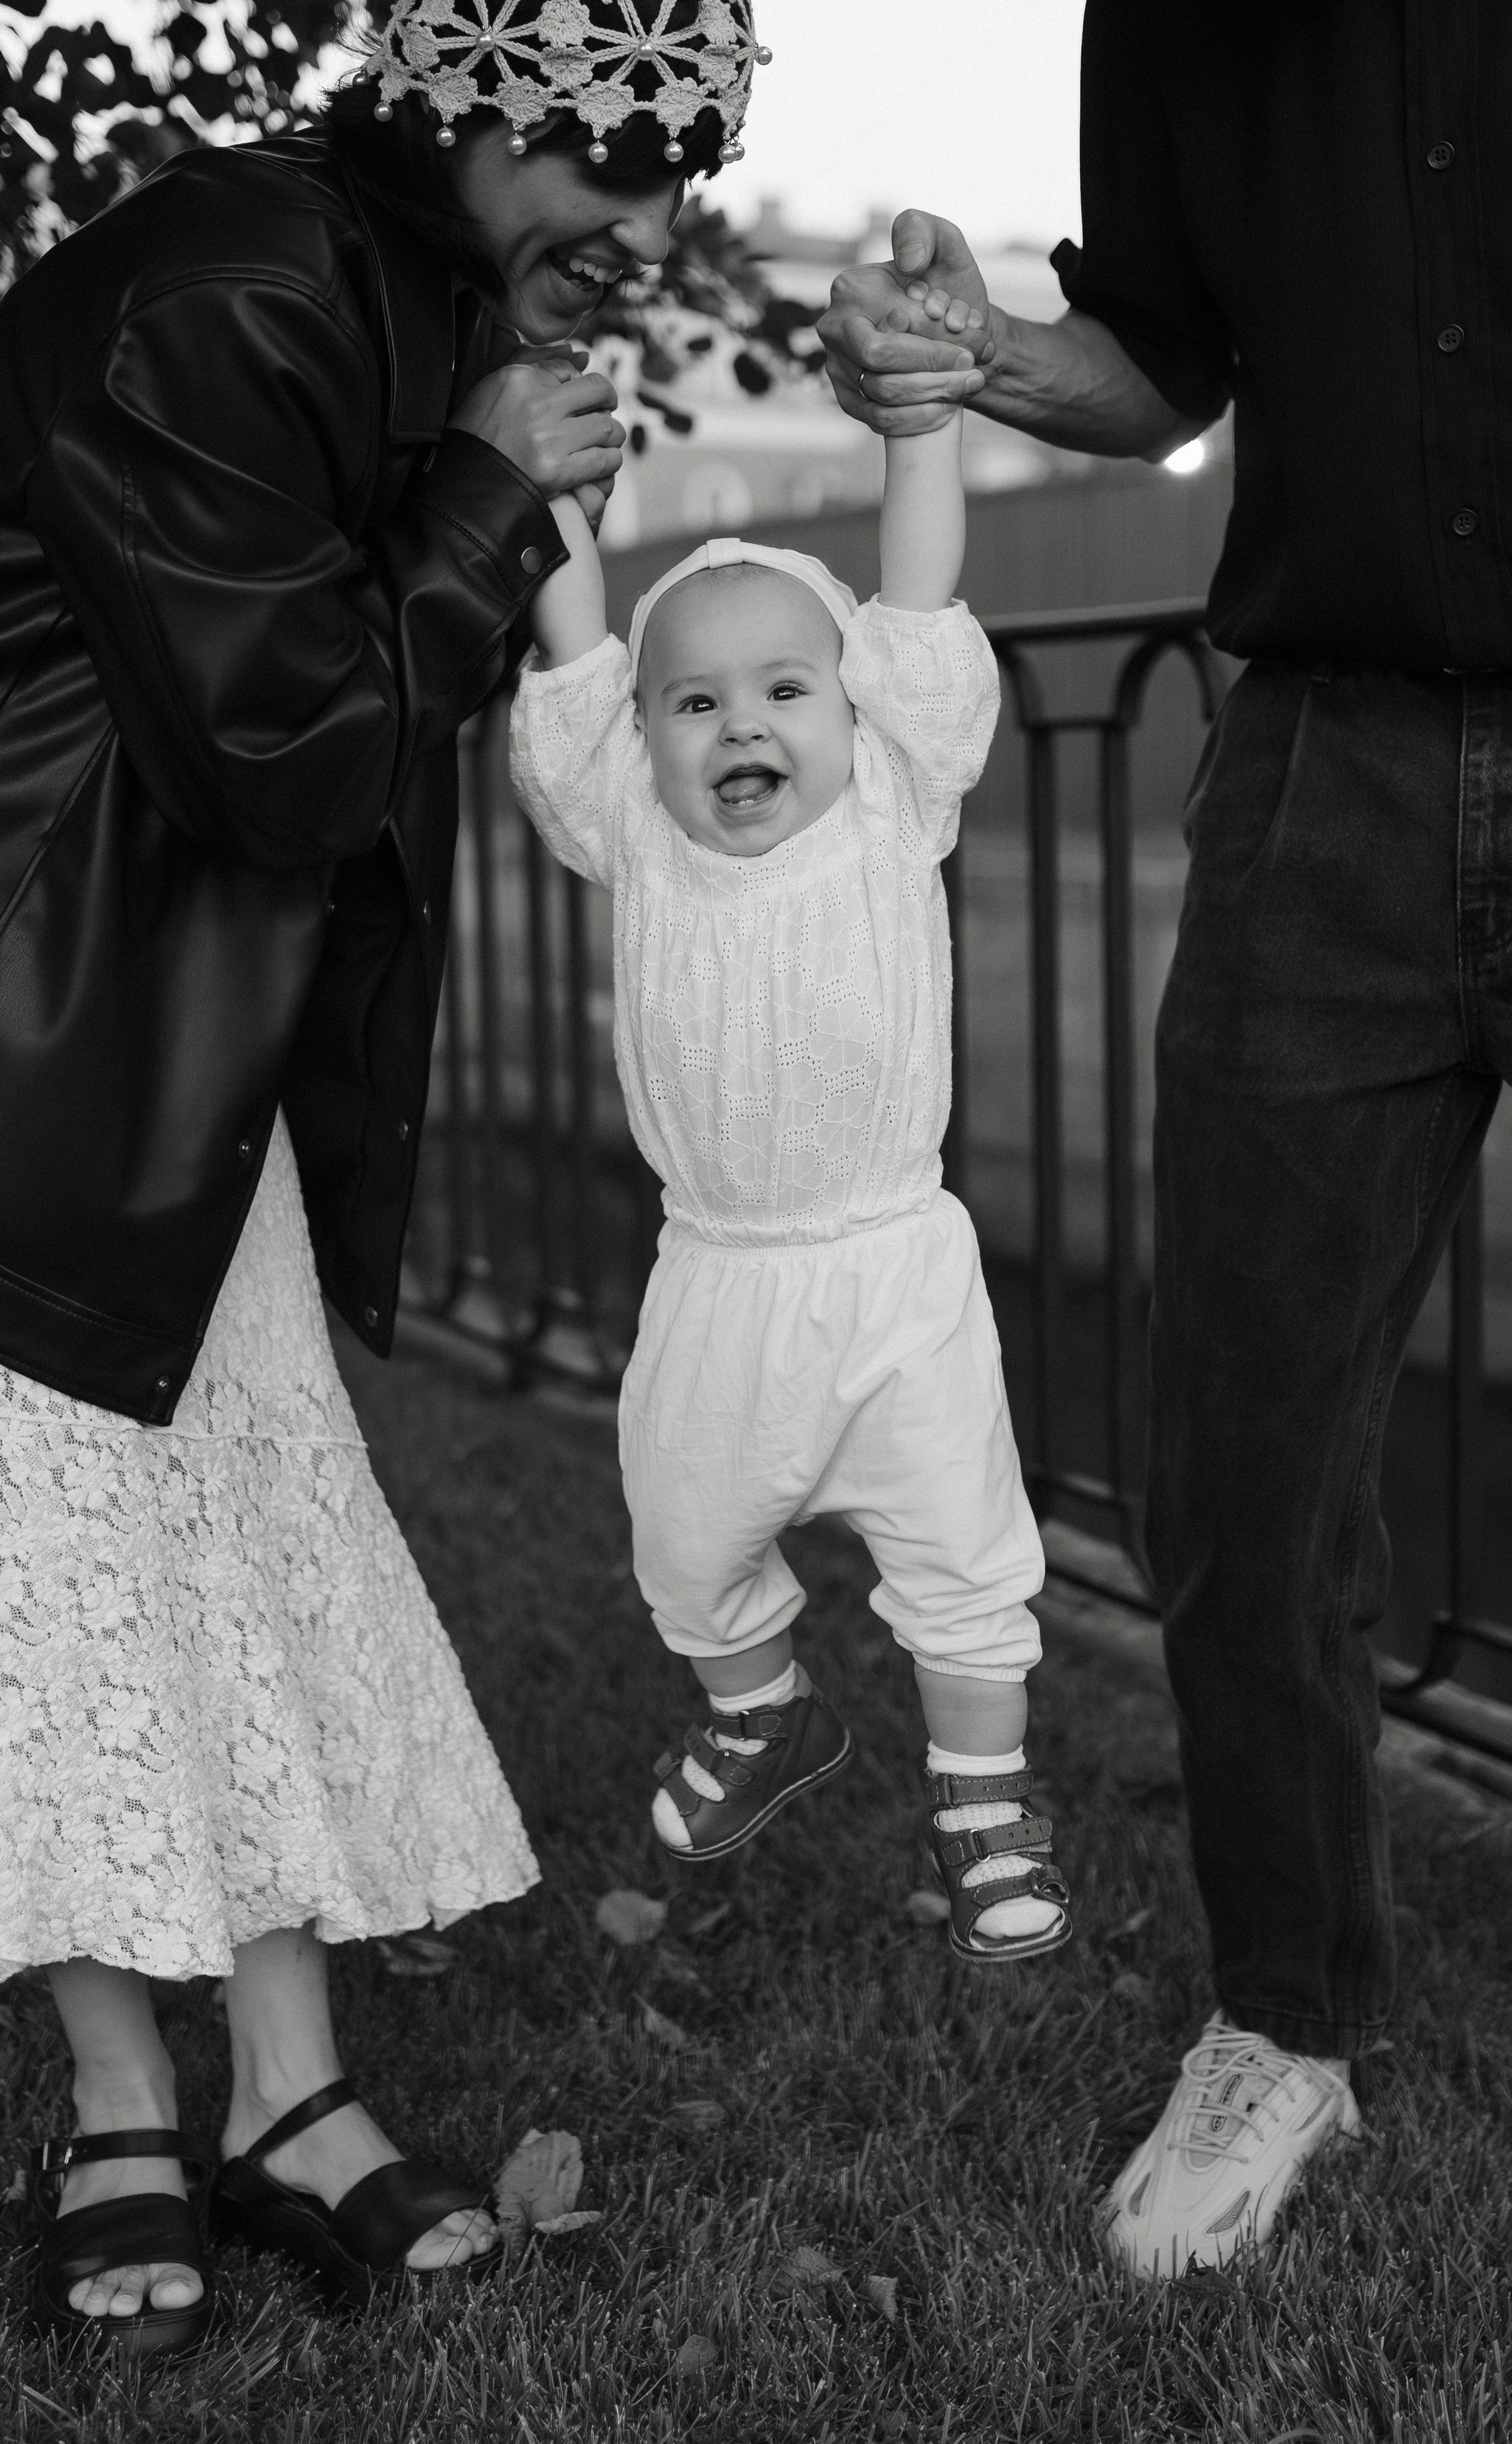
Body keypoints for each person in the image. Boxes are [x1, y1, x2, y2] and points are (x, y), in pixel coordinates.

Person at [821, 0, 1512, 2417]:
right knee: (1240, 1471)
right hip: (1320, 781)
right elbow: (1165, 365)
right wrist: (980, 353)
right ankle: (1288, 2026)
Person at [0, 0, 762, 2361]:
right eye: (618, 139)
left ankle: (281, 2089)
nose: (653, 204)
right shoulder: (246, 289)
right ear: (484, 91)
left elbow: (328, 724)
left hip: (148, 1008)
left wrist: (487, 475)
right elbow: (289, 750)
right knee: (34, 1575)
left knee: (244, 1522)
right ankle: (118, 2102)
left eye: (689, 150)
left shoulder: (403, 294)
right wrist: (488, 487)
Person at [506, 397, 1073, 1962]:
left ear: (852, 711)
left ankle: (980, 1800)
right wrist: (558, 498)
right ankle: (764, 1714)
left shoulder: (895, 801)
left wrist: (915, 438)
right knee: (681, 1537)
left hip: (890, 1265)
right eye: (690, 702)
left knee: (959, 1547)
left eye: (780, 689)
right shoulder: (635, 827)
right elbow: (569, 664)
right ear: (645, 743)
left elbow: (916, 598)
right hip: (719, 1268)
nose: (737, 724)